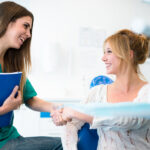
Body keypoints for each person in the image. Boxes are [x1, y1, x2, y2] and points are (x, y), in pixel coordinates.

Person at [59, 29, 150, 150]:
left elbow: (129, 120)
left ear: (129, 54)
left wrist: (77, 113)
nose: (103, 58)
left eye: (109, 52)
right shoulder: (98, 93)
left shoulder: (147, 92)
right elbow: (70, 124)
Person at [0, 1, 64, 150]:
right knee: (63, 145)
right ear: (7, 21)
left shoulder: (11, 64)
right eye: (25, 26)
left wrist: (57, 108)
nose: (29, 34)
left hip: (10, 139)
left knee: (68, 142)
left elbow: (31, 100)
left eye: (30, 29)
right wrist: (5, 109)